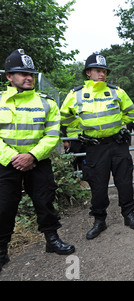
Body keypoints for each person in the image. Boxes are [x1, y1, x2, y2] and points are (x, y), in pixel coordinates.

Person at [0, 49, 75, 272]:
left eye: (31, 73)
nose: (29, 77)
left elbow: (52, 135)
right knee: (4, 207)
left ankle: (52, 240)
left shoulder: (47, 103)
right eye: (22, 73)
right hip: (6, 163)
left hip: (38, 162)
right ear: (9, 77)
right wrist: (14, 158)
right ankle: (1, 251)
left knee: (45, 202)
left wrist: (32, 156)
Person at [60, 53, 134, 240]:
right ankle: (99, 221)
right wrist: (80, 129)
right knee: (98, 185)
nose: (102, 74)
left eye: (104, 71)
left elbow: (131, 112)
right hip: (95, 147)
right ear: (88, 72)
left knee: (125, 181)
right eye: (98, 70)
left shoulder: (116, 91)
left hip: (118, 144)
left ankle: (129, 215)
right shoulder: (76, 94)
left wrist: (124, 126)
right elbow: (65, 118)